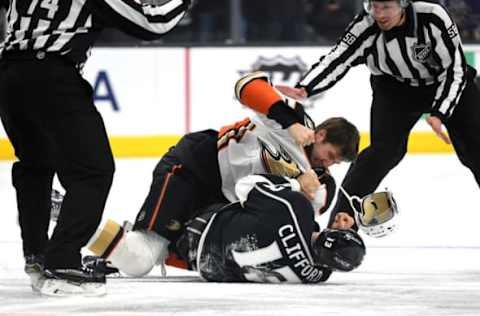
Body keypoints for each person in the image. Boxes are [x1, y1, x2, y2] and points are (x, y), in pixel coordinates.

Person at [86, 71, 360, 278]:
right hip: (195, 167)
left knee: (154, 255)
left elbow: (296, 228)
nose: (329, 164)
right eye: (331, 154)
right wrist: (289, 122)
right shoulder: (293, 120)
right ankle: (72, 218)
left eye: (337, 162)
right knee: (143, 257)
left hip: (218, 206)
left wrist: (335, 230)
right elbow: (247, 85)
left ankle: (110, 249)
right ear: (320, 135)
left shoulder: (323, 185)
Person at [0, 0, 190, 296]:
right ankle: (62, 262)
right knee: (93, 171)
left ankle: (36, 255)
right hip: (52, 76)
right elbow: (153, 23)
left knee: (35, 165)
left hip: (9, 76)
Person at [276, 0, 480, 229]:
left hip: (448, 84)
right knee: (382, 154)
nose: (379, 14)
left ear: (403, 4)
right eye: (374, 6)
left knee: (475, 150)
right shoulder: (365, 25)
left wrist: (440, 111)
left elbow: (456, 69)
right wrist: (306, 87)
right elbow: (340, 56)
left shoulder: (432, 16)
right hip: (394, 89)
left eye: (386, 7)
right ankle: (342, 225)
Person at [168, 173, 366, 283]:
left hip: (199, 227)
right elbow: (319, 252)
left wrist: (296, 184)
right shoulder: (316, 276)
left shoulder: (295, 208)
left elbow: (244, 185)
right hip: (205, 267)